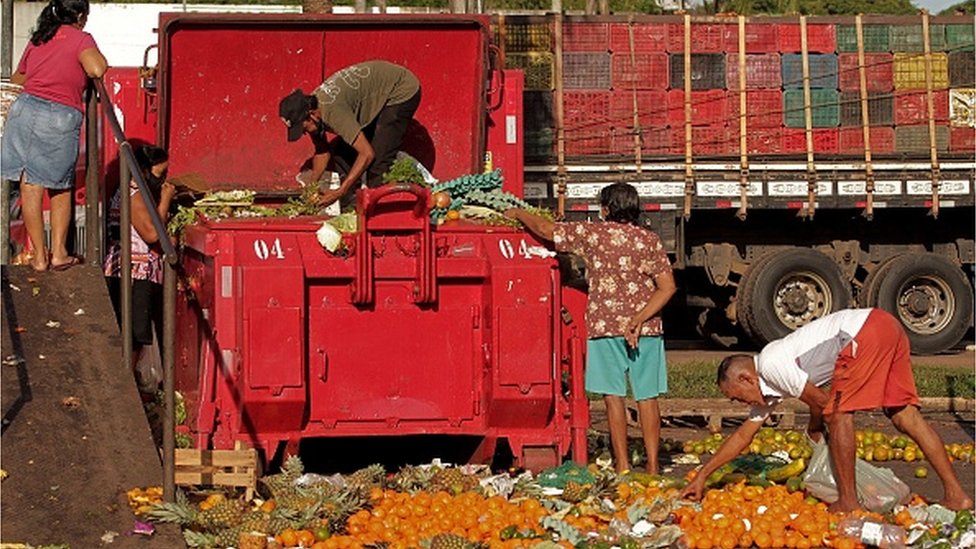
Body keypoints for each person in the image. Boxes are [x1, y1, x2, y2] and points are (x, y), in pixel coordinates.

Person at [680, 307, 973, 512]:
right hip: (886, 326)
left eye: (736, 397)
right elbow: (742, 437)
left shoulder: (770, 363)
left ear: (746, 378)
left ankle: (848, 502)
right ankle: (956, 495)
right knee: (905, 417)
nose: (739, 404)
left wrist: (815, 426)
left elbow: (826, 407)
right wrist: (704, 475)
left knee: (840, 414)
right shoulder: (768, 387)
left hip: (862, 333)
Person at [505, 183, 677, 473]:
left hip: (605, 325)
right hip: (645, 329)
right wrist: (637, 319)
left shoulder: (593, 234)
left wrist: (518, 213)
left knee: (613, 398)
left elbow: (547, 231)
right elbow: (667, 287)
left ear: (605, 209)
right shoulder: (649, 240)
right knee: (647, 397)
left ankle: (622, 465)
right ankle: (652, 466)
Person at [0, 0, 107, 272]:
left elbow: (18, 79)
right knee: (60, 185)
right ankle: (58, 252)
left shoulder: (40, 37)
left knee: (29, 185)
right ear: (81, 15)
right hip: (59, 114)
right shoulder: (81, 38)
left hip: (24, 111)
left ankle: (38, 256)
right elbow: (97, 69)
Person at [277, 60, 421, 208]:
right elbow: (322, 152)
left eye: (303, 129)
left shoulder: (333, 112)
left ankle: (376, 219)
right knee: (342, 154)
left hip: (400, 89)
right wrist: (311, 187)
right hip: (374, 93)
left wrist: (339, 191)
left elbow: (367, 154)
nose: (303, 134)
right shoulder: (312, 112)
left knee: (379, 162)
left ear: (311, 115)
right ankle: (351, 209)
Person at [103, 145, 175, 395]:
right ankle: (123, 392)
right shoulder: (134, 193)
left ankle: (125, 389)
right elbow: (152, 232)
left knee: (133, 335)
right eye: (160, 174)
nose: (162, 179)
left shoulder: (129, 191)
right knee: (133, 336)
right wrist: (165, 199)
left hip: (128, 269)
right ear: (144, 171)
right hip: (133, 272)